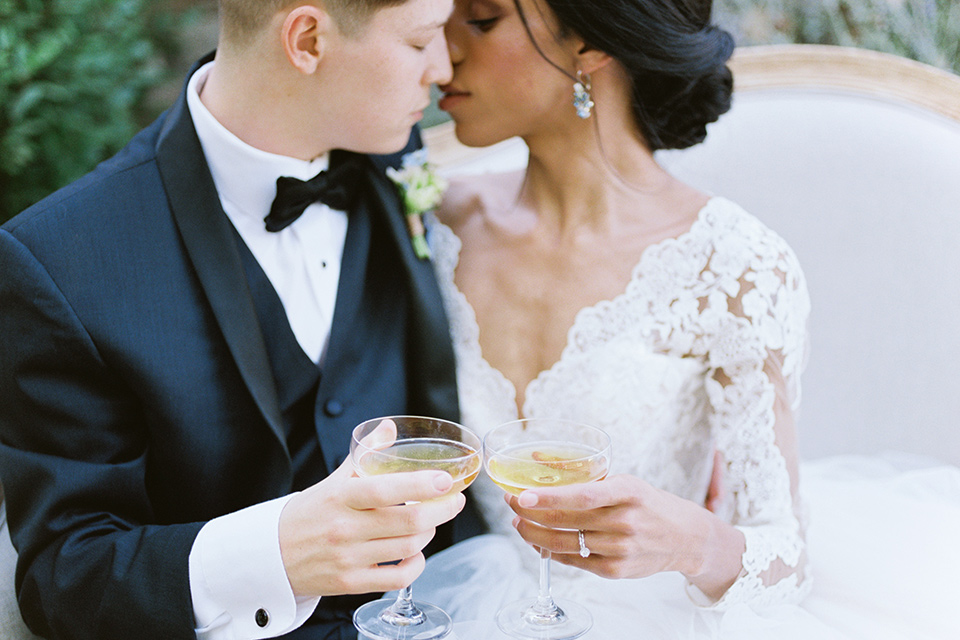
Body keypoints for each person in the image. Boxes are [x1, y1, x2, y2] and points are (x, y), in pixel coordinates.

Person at [406, 0, 960, 638]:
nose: (440, 51)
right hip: (461, 598)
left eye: (480, 21)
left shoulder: (730, 265)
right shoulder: (431, 221)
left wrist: (690, 543)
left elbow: (786, 558)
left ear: (591, 43)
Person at [0, 1, 485, 639]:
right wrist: (275, 552)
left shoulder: (393, 152)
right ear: (307, 39)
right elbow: (64, 578)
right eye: (422, 40)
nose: (443, 68)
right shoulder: (61, 258)